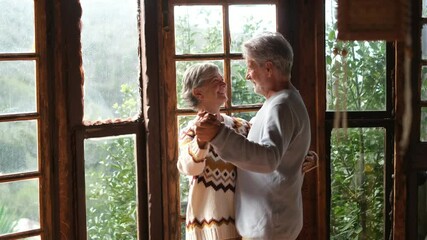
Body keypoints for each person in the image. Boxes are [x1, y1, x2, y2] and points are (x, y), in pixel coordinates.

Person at [178, 62, 317, 240]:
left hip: (244, 224)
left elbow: (271, 149)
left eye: (222, 80)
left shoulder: (240, 127)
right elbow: (189, 168)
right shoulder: (190, 132)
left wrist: (305, 155)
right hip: (207, 229)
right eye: (216, 81)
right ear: (198, 93)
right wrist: (201, 141)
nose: (223, 84)